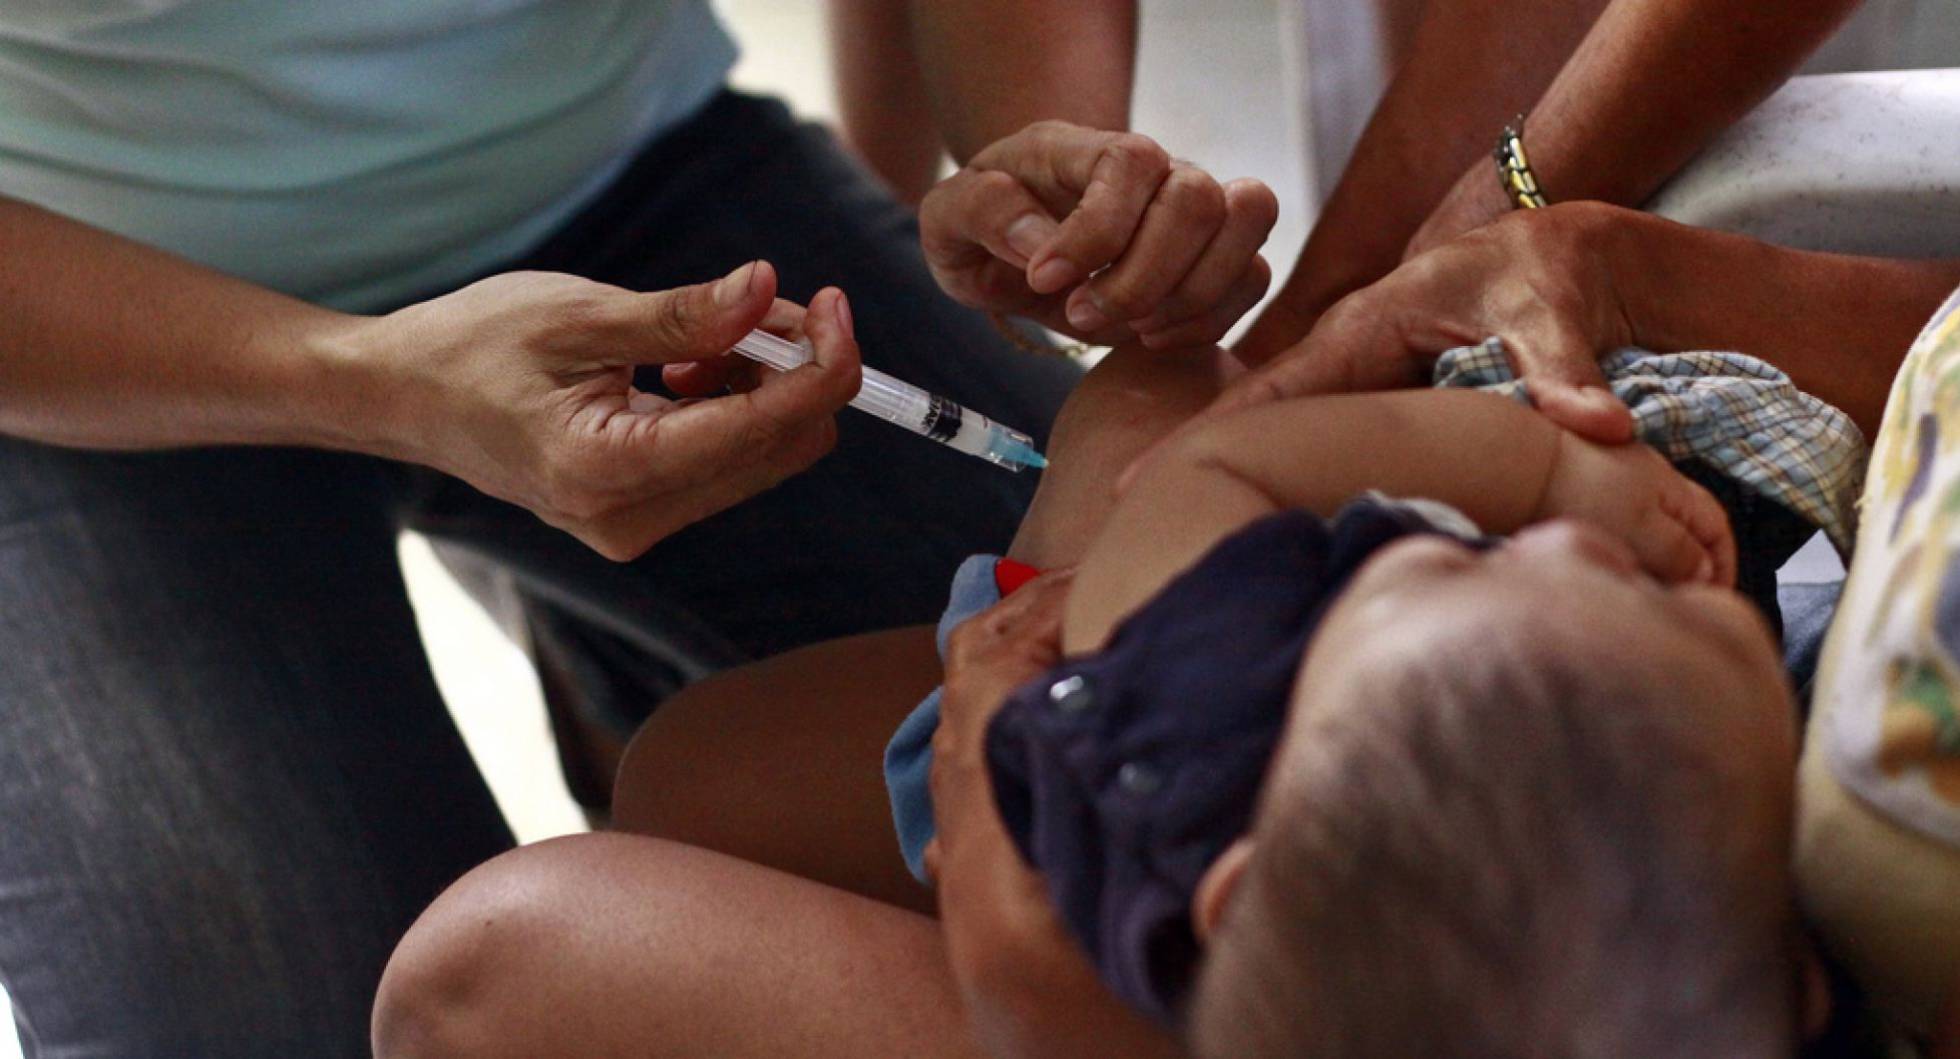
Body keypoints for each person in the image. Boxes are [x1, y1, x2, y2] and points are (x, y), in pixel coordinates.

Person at [0, 2, 1286, 1052]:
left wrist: (1035, 148)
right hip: (84, 312)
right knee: (268, 1011)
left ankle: (600, 663)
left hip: (630, 169)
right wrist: (374, 382)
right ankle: (597, 648)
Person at [371, 295, 1851, 1052]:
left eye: (1454, 565)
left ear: (1237, 895)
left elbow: (1206, 468)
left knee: (579, 868)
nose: (1566, 555)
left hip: (1027, 763)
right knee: (680, 772)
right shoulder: (1701, 987)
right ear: (1792, 988)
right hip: (1049, 851)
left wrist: (1540, 472)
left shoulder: (1192, 701)